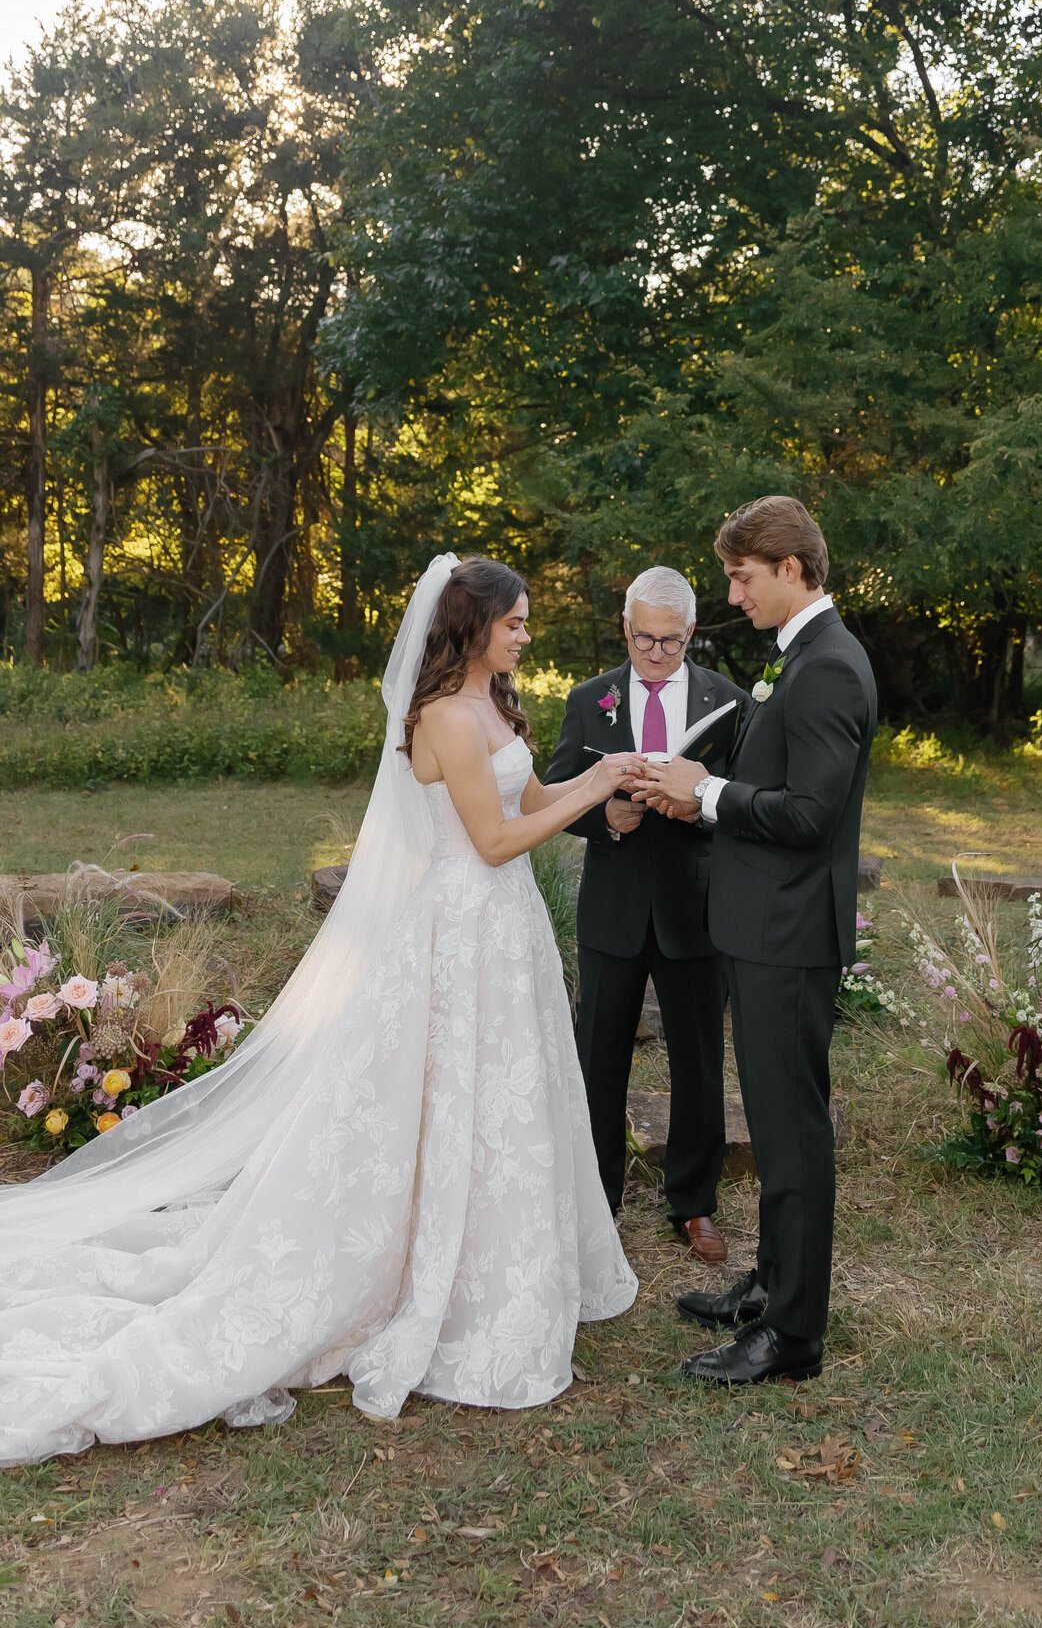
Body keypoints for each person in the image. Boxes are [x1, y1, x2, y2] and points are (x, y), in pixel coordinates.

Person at [0, 555, 640, 1467]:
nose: (526, 634)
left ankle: (492, 1267)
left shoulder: (495, 704)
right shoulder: (445, 718)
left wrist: (599, 796)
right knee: (448, 1092)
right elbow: (495, 843)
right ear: (472, 626)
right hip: (463, 924)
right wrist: (596, 778)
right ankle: (423, 1280)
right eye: (516, 622)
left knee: (501, 1097)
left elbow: (529, 800)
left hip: (507, 935)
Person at [634, 498, 877, 1385]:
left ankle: (792, 1335)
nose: (732, 595)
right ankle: (772, 1282)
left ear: (791, 568)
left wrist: (707, 795)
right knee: (775, 1130)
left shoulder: (829, 670)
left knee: (792, 1131)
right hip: (760, 927)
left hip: (787, 937)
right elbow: (775, 785)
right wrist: (696, 791)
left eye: (741, 578)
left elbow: (810, 816)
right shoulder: (802, 659)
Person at [544, 569, 748, 1261]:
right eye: (642, 640)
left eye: (670, 641)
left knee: (698, 1062)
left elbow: (748, 799)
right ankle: (595, 1201)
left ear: (691, 633)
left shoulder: (729, 701)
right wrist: (606, 815)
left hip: (696, 904)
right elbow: (553, 796)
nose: (656, 655)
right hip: (615, 903)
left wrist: (701, 803)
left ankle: (693, 1205)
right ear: (624, 628)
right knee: (598, 1057)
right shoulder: (589, 700)